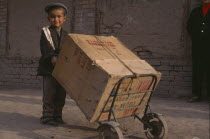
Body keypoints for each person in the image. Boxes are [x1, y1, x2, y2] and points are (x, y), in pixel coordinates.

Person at [37, 3, 69, 125]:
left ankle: (57, 116)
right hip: (49, 69)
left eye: (59, 16)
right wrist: (53, 57)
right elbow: (46, 49)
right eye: (52, 16)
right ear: (48, 18)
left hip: (62, 70)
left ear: (64, 18)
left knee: (61, 95)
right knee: (49, 94)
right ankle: (47, 117)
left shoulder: (66, 35)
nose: (56, 19)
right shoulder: (46, 32)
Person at [187, 0, 210, 102]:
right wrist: (196, 37)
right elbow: (189, 26)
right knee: (197, 70)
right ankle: (196, 94)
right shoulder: (195, 11)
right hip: (198, 46)